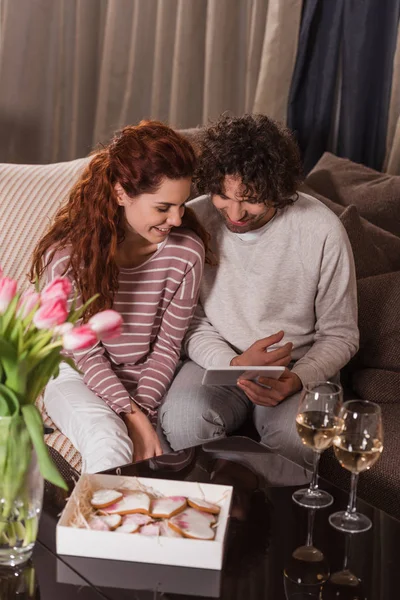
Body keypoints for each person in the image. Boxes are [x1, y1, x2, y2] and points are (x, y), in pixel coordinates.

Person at [159, 113, 359, 466]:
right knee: (183, 421)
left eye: (250, 198)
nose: (234, 213)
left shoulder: (322, 231)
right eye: (222, 194)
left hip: (297, 367)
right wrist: (233, 363)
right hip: (217, 361)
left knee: (298, 438)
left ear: (279, 190)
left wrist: (297, 379)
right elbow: (190, 320)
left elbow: (341, 334)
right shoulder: (193, 220)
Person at [30, 121, 206, 473]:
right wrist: (132, 416)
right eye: (163, 207)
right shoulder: (67, 258)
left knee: (171, 461)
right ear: (122, 193)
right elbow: (84, 354)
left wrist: (145, 410)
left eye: (182, 205)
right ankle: (85, 529)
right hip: (75, 374)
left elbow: (168, 347)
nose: (176, 218)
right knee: (109, 442)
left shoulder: (187, 253)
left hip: (149, 379)